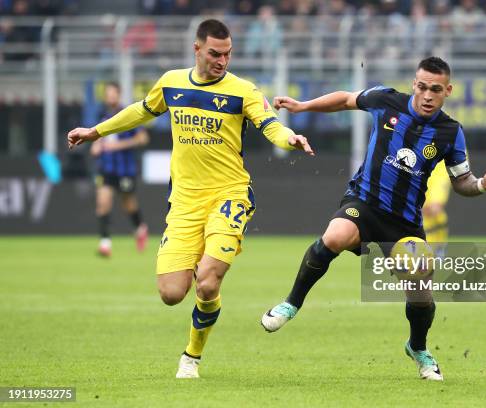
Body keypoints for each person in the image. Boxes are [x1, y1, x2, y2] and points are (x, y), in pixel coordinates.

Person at [67, 19, 313, 379]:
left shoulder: (243, 90)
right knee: (171, 293)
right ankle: (203, 274)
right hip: (184, 201)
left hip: (230, 195)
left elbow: (270, 124)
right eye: (215, 53)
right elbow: (140, 110)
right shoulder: (171, 83)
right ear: (196, 49)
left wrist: (289, 138)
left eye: (228, 54)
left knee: (208, 280)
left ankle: (191, 357)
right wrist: (96, 131)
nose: (222, 61)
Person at [261, 56, 486, 381]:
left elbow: (461, 181)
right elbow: (346, 99)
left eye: (435, 89)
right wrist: (303, 106)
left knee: (421, 291)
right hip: (364, 204)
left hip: (404, 224)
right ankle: (290, 304)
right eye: (422, 87)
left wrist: (481, 185)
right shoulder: (386, 100)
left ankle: (418, 348)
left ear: (447, 90)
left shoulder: (450, 132)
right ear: (414, 84)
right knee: (335, 236)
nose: (427, 95)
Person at [91, 81, 149, 257]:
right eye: (107, 93)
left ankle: (139, 228)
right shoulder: (101, 114)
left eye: (113, 93)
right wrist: (95, 146)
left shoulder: (128, 114)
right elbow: (96, 137)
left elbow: (142, 138)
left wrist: (120, 145)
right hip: (106, 167)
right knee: (103, 203)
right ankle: (105, 243)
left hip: (125, 169)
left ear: (119, 94)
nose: (110, 97)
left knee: (128, 204)